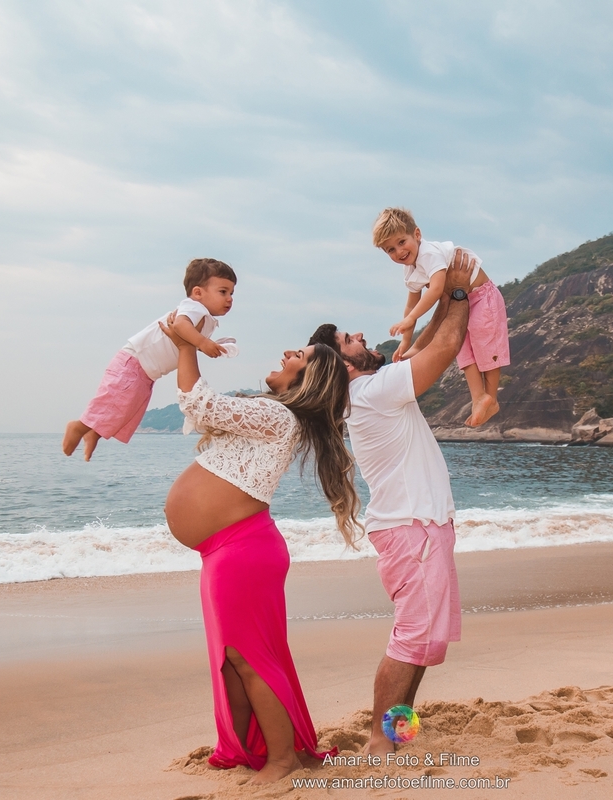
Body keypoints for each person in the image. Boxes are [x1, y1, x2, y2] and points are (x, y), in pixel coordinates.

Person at [160, 320, 361, 783]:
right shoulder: (271, 418)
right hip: (229, 552)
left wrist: (185, 344)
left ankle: (282, 760)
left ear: (307, 380)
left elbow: (199, 403)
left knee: (246, 658)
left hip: (241, 552)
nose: (290, 353)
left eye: (301, 358)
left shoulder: (277, 417)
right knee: (234, 658)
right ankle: (256, 748)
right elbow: (203, 414)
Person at [309, 249, 475, 755]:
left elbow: (427, 341)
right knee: (411, 640)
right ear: (343, 363)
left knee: (424, 641)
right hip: (412, 529)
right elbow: (445, 348)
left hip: (420, 527)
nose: (359, 335)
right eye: (349, 340)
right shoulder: (372, 392)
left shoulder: (372, 390)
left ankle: (397, 732)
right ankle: (379, 745)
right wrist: (462, 292)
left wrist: (444, 294)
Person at [63, 257, 238, 461]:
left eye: (232, 293)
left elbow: (183, 342)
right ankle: (79, 426)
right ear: (198, 293)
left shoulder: (204, 317)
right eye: (223, 291)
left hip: (146, 371)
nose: (230, 298)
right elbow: (180, 326)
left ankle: (94, 432)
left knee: (125, 408)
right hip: (134, 363)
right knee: (116, 402)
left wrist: (210, 343)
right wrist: (203, 343)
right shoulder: (194, 308)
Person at [372, 207, 510, 427]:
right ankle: (478, 398)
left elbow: (436, 290)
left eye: (401, 242)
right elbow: (411, 305)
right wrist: (406, 341)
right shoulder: (410, 271)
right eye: (390, 250)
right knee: (463, 349)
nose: (398, 252)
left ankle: (491, 397)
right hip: (462, 303)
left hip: (482, 297)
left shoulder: (429, 254)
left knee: (486, 344)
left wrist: (409, 321)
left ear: (416, 235)